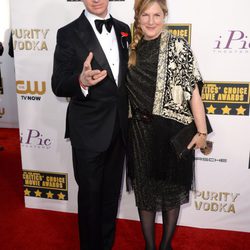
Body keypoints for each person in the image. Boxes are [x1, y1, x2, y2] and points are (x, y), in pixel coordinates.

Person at [126, 0, 207, 249]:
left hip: (172, 130)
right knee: (145, 193)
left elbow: (193, 92)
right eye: (145, 15)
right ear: (138, 18)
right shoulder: (129, 47)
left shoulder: (178, 46)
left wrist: (202, 131)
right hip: (139, 132)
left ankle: (165, 245)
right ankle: (150, 246)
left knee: (171, 191)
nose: (151, 21)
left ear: (165, 16)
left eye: (157, 15)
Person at [51, 0, 131, 249]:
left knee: (110, 198)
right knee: (90, 199)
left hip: (119, 130)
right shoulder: (67, 33)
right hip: (88, 131)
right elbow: (58, 84)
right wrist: (81, 81)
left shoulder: (123, 29)